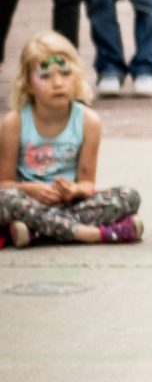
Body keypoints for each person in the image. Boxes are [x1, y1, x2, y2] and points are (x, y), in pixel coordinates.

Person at [0, 32, 142, 246]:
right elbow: (4, 185)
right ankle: (92, 233)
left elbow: (87, 183)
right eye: (45, 76)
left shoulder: (88, 121)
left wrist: (74, 191)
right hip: (28, 203)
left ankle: (36, 231)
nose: (58, 83)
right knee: (5, 200)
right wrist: (31, 190)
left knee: (129, 196)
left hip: (69, 205)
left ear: (76, 77)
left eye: (65, 73)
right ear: (28, 83)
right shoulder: (15, 122)